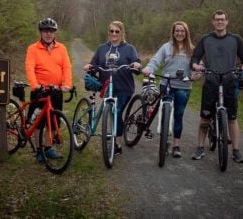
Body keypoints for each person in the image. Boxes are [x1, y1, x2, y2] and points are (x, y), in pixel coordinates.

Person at [190, 10, 243, 163]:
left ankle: (236, 151)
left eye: (222, 19)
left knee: (232, 118)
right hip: (211, 80)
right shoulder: (205, 39)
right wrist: (195, 65)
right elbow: (195, 57)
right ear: (213, 22)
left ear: (227, 22)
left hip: (230, 81)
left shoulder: (235, 39)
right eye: (217, 20)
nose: (220, 22)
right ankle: (200, 147)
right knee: (205, 118)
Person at [83, 21, 141, 155]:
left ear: (122, 33)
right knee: (111, 112)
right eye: (111, 31)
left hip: (124, 88)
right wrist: (89, 66)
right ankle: (112, 136)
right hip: (107, 86)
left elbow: (137, 63)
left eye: (116, 31)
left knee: (117, 112)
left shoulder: (129, 48)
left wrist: (136, 65)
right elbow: (94, 64)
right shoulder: (102, 48)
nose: (113, 34)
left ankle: (117, 145)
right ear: (108, 32)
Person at [142, 21, 198, 158]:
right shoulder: (166, 47)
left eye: (182, 31)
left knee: (179, 115)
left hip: (183, 87)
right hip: (166, 84)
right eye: (177, 31)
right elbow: (155, 61)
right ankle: (164, 141)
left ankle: (176, 145)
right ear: (173, 32)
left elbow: (199, 66)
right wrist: (149, 69)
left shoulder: (192, 49)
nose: (179, 33)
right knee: (164, 111)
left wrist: (196, 74)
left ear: (186, 33)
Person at [25, 17, 72, 161]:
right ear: (40, 32)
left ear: (54, 33)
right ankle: (39, 151)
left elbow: (66, 67)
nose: (48, 34)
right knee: (39, 123)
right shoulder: (33, 49)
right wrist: (35, 86)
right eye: (45, 31)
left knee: (53, 121)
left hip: (56, 91)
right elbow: (29, 68)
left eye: (51, 31)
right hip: (40, 91)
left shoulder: (61, 48)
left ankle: (48, 147)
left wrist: (67, 84)